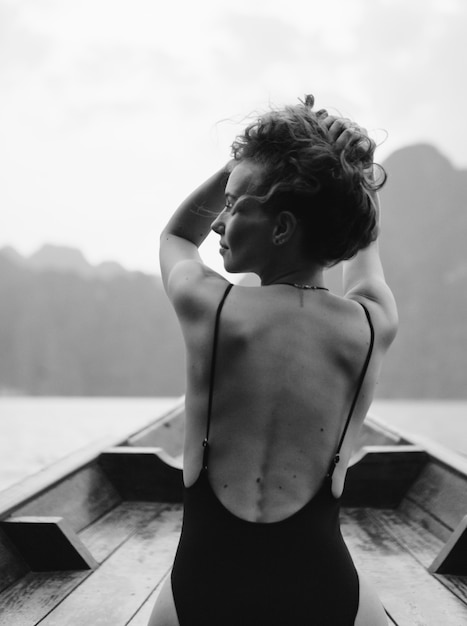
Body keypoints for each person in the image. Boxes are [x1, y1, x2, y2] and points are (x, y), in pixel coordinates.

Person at [149, 94, 398, 626]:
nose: (219, 221)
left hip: (205, 588)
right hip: (321, 590)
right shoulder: (372, 324)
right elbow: (366, 245)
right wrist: (344, 175)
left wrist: (235, 164)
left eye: (235, 204)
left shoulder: (210, 306)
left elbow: (177, 236)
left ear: (281, 228)